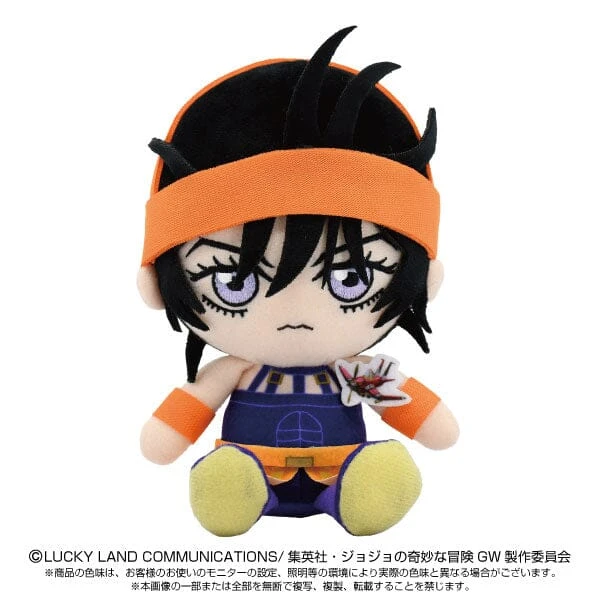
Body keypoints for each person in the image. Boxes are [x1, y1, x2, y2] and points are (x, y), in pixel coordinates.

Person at [137, 27, 458, 536]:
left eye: (352, 278)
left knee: (359, 480)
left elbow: (437, 428)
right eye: (235, 282)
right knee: (237, 477)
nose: (295, 312)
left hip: (339, 468)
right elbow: (164, 438)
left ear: (424, 280)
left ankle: (355, 494)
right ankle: (237, 491)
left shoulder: (360, 373)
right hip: (255, 467)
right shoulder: (236, 371)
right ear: (159, 285)